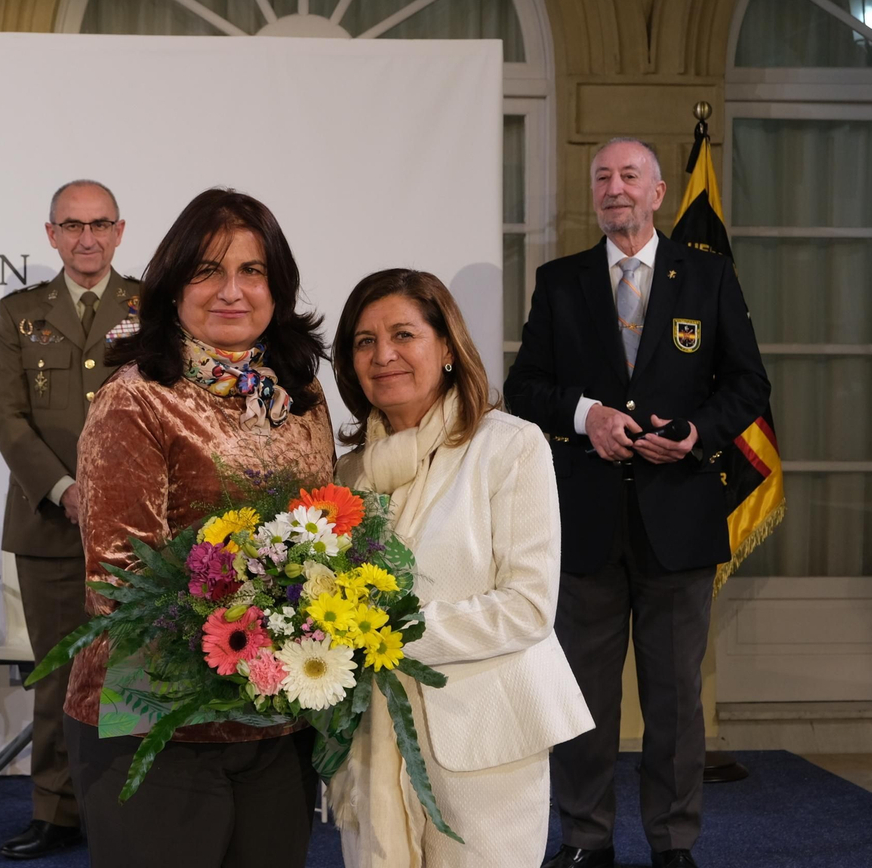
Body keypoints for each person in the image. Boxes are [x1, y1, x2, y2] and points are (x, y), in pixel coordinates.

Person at [505, 138, 770, 868]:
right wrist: (586, 412)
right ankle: (586, 837)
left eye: (629, 176)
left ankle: (674, 841)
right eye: (602, 177)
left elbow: (749, 385)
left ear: (658, 193)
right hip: (584, 523)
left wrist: (696, 434)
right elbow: (523, 389)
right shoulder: (560, 282)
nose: (614, 188)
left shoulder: (708, 277)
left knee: (676, 703)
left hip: (679, 521)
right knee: (582, 698)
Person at [66, 188, 335, 868]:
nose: (231, 291)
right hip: (157, 724)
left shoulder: (299, 396)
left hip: (277, 723)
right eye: (207, 270)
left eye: (252, 271)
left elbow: (326, 536)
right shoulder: (137, 398)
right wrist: (255, 644)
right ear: (173, 283)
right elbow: (122, 580)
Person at [329, 269, 593, 868]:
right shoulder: (347, 475)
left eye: (403, 334)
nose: (384, 355)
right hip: (373, 739)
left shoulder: (510, 446)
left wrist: (389, 637)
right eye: (364, 342)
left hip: (483, 737)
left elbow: (527, 606)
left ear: (447, 347)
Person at [0, 178, 141, 860]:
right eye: (72, 225)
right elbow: (8, 418)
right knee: (60, 674)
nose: (86, 237)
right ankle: (56, 810)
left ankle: (132, 805)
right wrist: (65, 489)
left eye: (99, 224)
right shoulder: (20, 312)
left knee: (134, 670)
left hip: (139, 527)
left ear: (119, 230)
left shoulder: (150, 309)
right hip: (49, 525)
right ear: (51, 234)